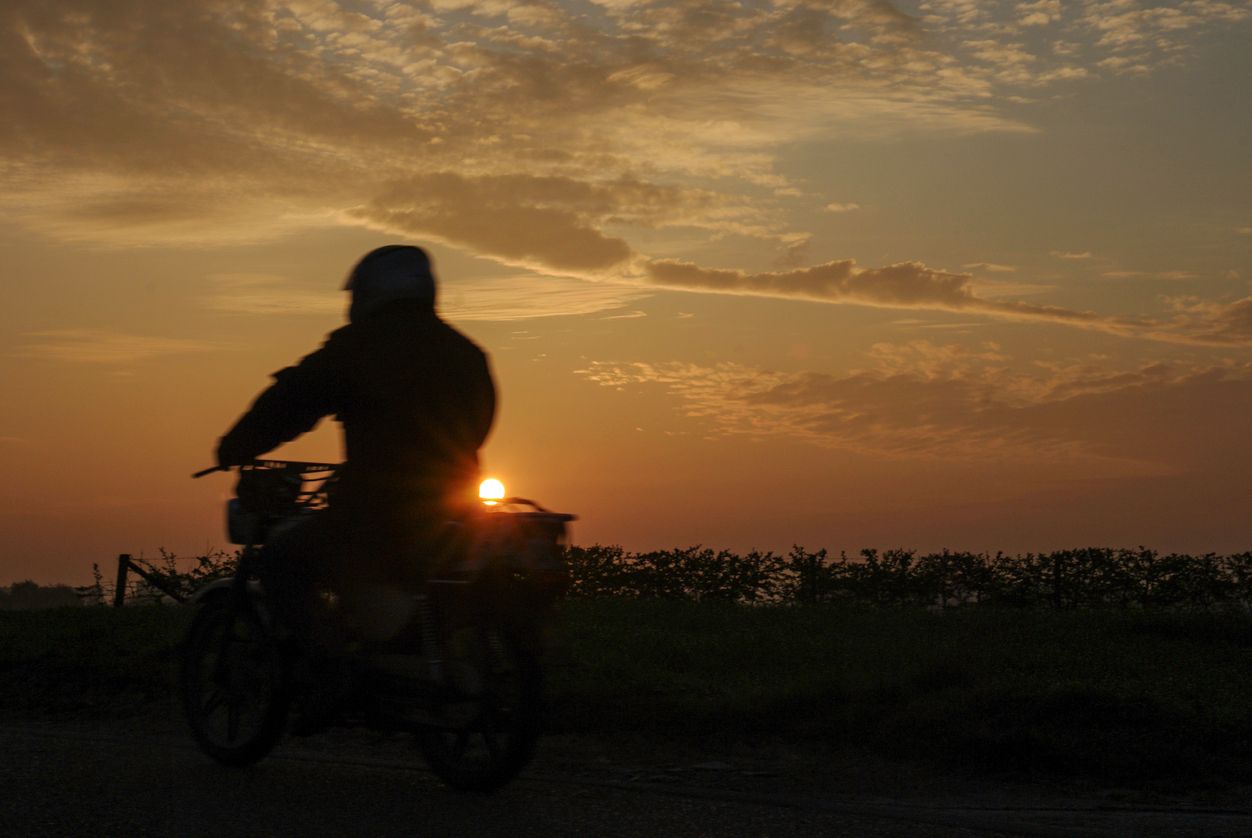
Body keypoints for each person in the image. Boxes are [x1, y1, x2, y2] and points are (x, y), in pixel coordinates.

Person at [214, 244, 496, 646]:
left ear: (369, 292)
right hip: (456, 508)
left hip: (377, 511)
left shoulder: (360, 346)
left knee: (279, 559)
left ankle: (325, 663)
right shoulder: (466, 353)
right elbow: (479, 425)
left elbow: (292, 399)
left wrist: (236, 445)